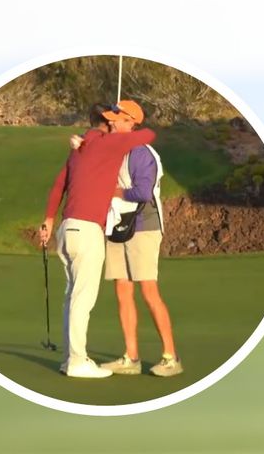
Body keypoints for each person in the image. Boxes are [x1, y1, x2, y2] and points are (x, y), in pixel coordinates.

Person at [40, 101, 156, 378]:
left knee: (71, 297)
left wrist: (47, 220)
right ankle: (79, 361)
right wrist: (120, 129)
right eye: (114, 119)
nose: (118, 123)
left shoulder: (80, 149)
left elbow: (59, 185)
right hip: (87, 230)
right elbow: (148, 135)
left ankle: (71, 359)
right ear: (108, 124)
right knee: (83, 299)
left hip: (66, 229)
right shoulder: (108, 144)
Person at [94, 100, 183, 377]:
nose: (111, 123)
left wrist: (116, 192)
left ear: (132, 122)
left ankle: (171, 357)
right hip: (119, 225)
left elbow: (143, 192)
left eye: (116, 119)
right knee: (122, 289)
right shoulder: (116, 149)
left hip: (143, 226)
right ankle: (130, 357)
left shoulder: (142, 154)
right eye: (110, 119)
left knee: (148, 291)